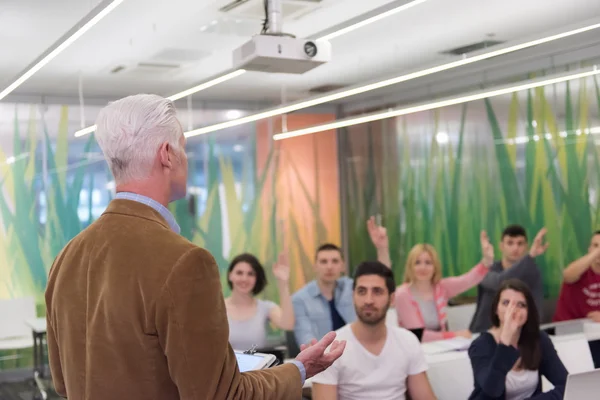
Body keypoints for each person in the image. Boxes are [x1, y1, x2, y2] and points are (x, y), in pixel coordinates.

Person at [44, 94, 345, 400]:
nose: (186, 158)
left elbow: (63, 382)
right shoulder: (185, 262)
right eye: (184, 148)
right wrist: (299, 369)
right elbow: (223, 396)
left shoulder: (66, 257)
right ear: (167, 154)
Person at [312, 261, 436, 400]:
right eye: (362, 291)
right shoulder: (332, 348)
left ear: (392, 298)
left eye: (377, 291)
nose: (368, 300)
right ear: (353, 296)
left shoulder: (407, 341)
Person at [292, 220, 392, 348]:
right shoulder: (300, 299)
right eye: (323, 262)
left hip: (358, 350)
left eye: (335, 261)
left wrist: (382, 248)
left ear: (343, 266)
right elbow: (306, 340)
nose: (329, 267)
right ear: (315, 267)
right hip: (323, 358)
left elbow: (380, 278)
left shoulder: (351, 287)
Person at [468, 279, 567, 400]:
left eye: (521, 305)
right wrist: (505, 342)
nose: (513, 310)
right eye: (506, 303)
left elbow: (566, 385)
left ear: (528, 312)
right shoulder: (480, 345)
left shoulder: (539, 339)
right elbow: (492, 390)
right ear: (496, 309)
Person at [394, 231, 494, 342]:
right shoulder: (402, 294)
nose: (423, 267)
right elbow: (418, 335)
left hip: (440, 349)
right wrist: (455, 335)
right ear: (410, 266)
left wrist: (486, 261)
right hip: (414, 350)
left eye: (428, 263)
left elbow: (468, 280)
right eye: (417, 262)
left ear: (435, 267)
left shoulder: (441, 287)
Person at [470, 225, 547, 333]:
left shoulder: (532, 273)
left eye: (520, 243)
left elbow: (536, 311)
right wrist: (529, 257)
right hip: (483, 334)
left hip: (519, 335)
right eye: (510, 243)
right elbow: (500, 282)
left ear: (526, 246)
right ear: (501, 246)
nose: (515, 248)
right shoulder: (487, 270)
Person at [226, 252, 294, 350]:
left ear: (256, 278)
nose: (244, 279)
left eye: (250, 274)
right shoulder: (217, 308)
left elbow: (288, 325)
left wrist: (283, 282)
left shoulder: (266, 307)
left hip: (260, 365)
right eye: (239, 273)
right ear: (230, 275)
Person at [553, 230, 600, 323]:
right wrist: (595, 253)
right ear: (589, 249)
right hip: (568, 327)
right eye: (595, 245)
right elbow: (567, 276)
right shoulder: (580, 268)